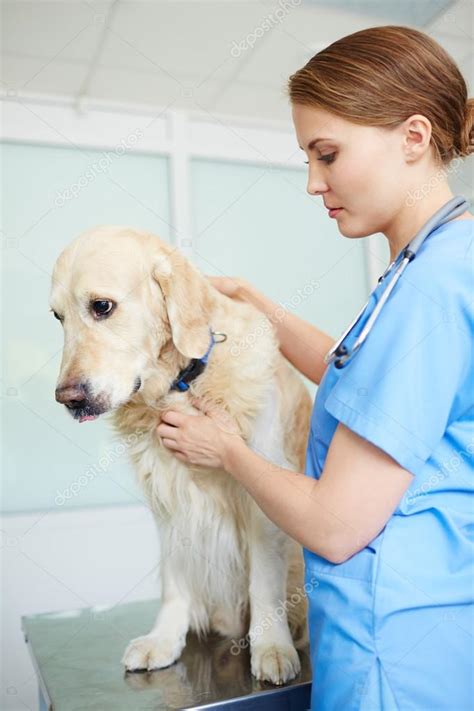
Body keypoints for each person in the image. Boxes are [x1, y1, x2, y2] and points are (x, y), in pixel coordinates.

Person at [156, 25, 473, 711]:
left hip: (390, 649)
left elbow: (335, 524)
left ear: (414, 137)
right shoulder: (439, 264)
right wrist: (261, 308)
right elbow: (363, 381)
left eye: (327, 155)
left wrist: (227, 451)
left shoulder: (429, 287)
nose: (312, 182)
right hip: (432, 627)